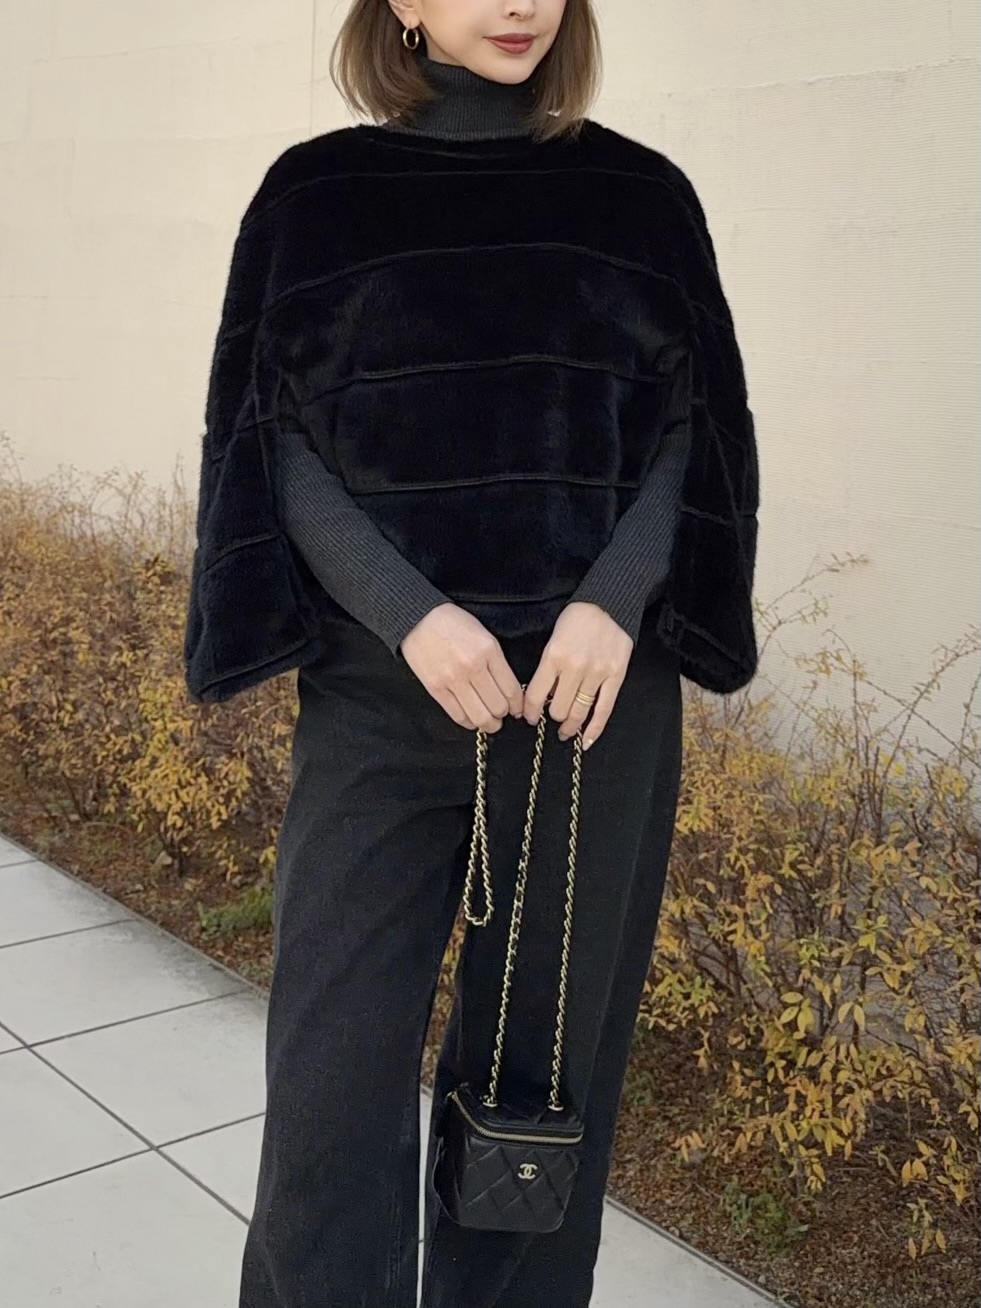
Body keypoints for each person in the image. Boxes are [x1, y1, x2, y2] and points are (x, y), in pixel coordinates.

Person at [183, 2, 760, 1304]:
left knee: (541, 1096)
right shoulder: (317, 195)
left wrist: (613, 601)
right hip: (381, 701)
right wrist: (411, 614)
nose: (519, 4)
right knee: (329, 1087)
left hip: (586, 710)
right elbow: (274, 436)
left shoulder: (641, 197)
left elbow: (693, 429)